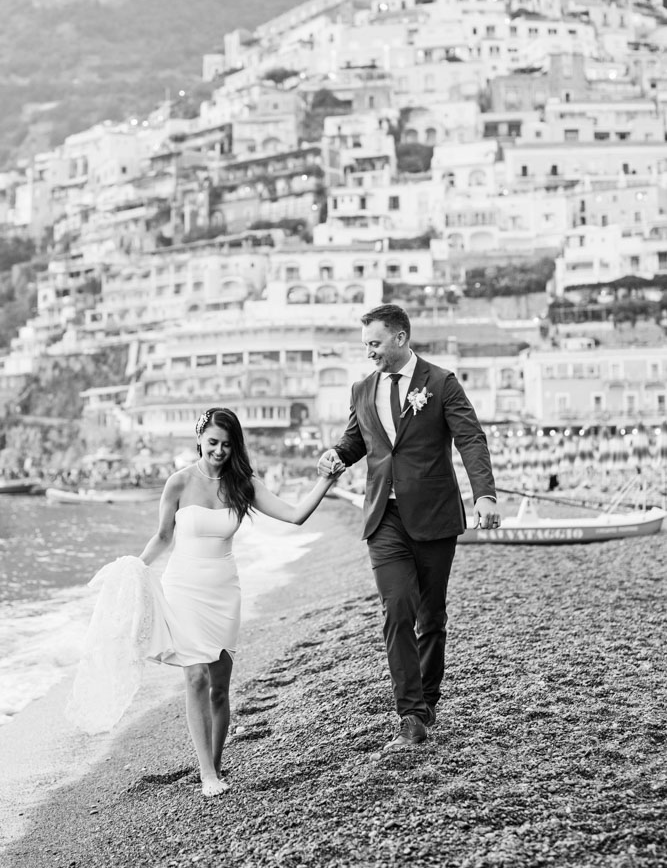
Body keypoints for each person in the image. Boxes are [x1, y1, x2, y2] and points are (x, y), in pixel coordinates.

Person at [318, 304, 499, 751]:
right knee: (396, 608)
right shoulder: (362, 388)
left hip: (434, 515)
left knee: (431, 615)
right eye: (365, 345)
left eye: (374, 344)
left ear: (400, 338)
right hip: (384, 517)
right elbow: (357, 439)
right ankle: (411, 715)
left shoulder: (440, 383)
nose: (369, 353)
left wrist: (485, 494)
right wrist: (337, 456)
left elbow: (470, 438)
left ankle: (428, 698)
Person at [140, 406, 339, 797]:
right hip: (183, 587)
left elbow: (295, 515)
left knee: (219, 687)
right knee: (194, 676)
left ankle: (215, 764)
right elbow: (163, 537)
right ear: (199, 438)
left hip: (223, 591)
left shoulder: (242, 483)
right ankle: (206, 775)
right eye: (212, 442)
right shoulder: (177, 483)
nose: (219, 451)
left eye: (227, 445)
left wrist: (325, 481)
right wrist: (136, 566)